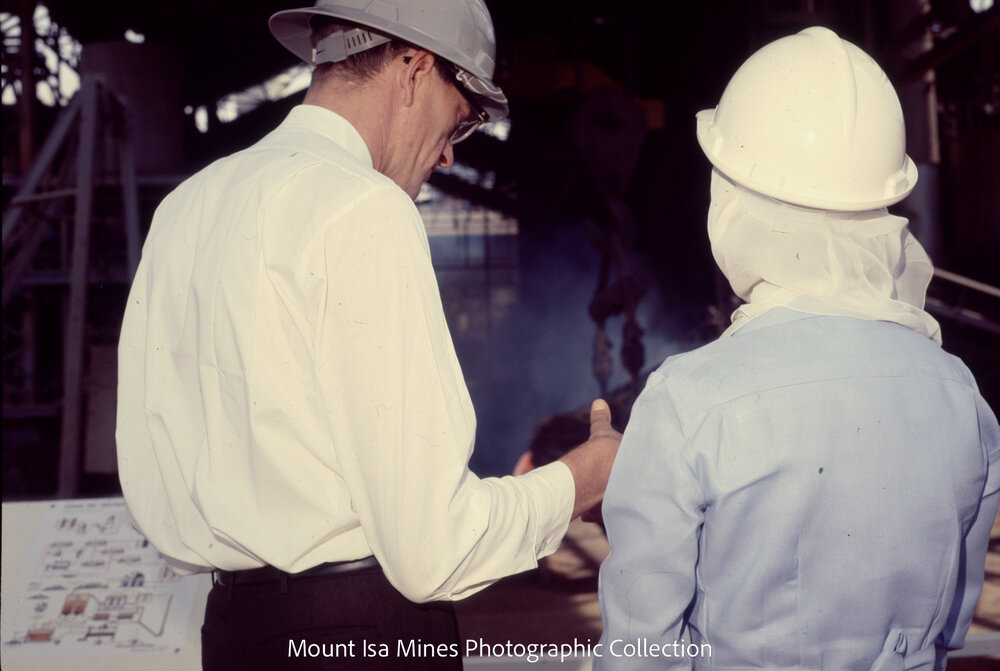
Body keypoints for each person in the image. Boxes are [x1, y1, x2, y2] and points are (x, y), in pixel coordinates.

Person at [115, 1, 620, 669]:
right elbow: (434, 549)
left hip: (234, 632)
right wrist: (581, 479)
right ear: (415, 67)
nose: (446, 154)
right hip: (358, 632)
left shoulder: (186, 208)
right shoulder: (364, 207)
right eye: (462, 122)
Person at [596, 26, 999, 670]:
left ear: (732, 202)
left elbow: (640, 652)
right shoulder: (959, 393)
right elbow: (950, 622)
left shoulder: (688, 399)